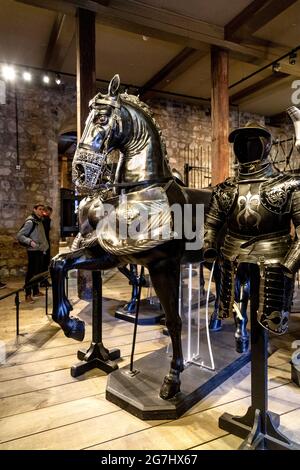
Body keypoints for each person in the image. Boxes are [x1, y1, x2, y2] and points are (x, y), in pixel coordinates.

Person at [203, 121, 300, 335]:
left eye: (252, 141)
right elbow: (211, 223)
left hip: (274, 255)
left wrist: (290, 263)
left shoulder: (288, 185)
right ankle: (239, 329)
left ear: (265, 145)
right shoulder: (224, 189)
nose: (246, 147)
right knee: (234, 303)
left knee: (270, 315)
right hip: (232, 254)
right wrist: (208, 245)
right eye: (241, 142)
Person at [17, 203, 49, 303]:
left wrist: (44, 248)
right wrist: (30, 242)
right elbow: (20, 235)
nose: (41, 211)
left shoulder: (39, 221)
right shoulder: (31, 222)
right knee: (31, 273)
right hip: (33, 251)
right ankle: (27, 295)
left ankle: (35, 291)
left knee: (38, 272)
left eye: (42, 209)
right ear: (34, 210)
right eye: (39, 209)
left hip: (39, 250)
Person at [41, 205, 53, 287]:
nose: (51, 214)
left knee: (45, 263)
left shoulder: (44, 219)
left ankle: (43, 281)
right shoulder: (45, 219)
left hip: (45, 243)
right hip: (44, 244)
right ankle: (43, 281)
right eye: (50, 212)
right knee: (44, 263)